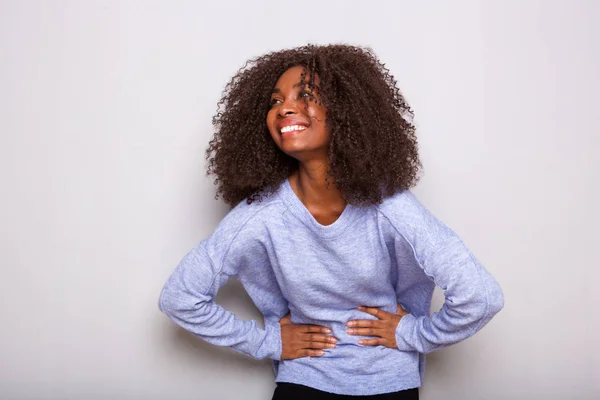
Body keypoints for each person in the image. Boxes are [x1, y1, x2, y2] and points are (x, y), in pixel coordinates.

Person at [158, 44, 504, 399]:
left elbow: (480, 297)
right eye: (274, 101)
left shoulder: (391, 207)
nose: (284, 108)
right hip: (305, 379)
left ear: (346, 113)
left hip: (389, 381)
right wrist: (266, 342)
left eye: (306, 94)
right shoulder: (259, 216)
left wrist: (412, 335)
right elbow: (180, 298)